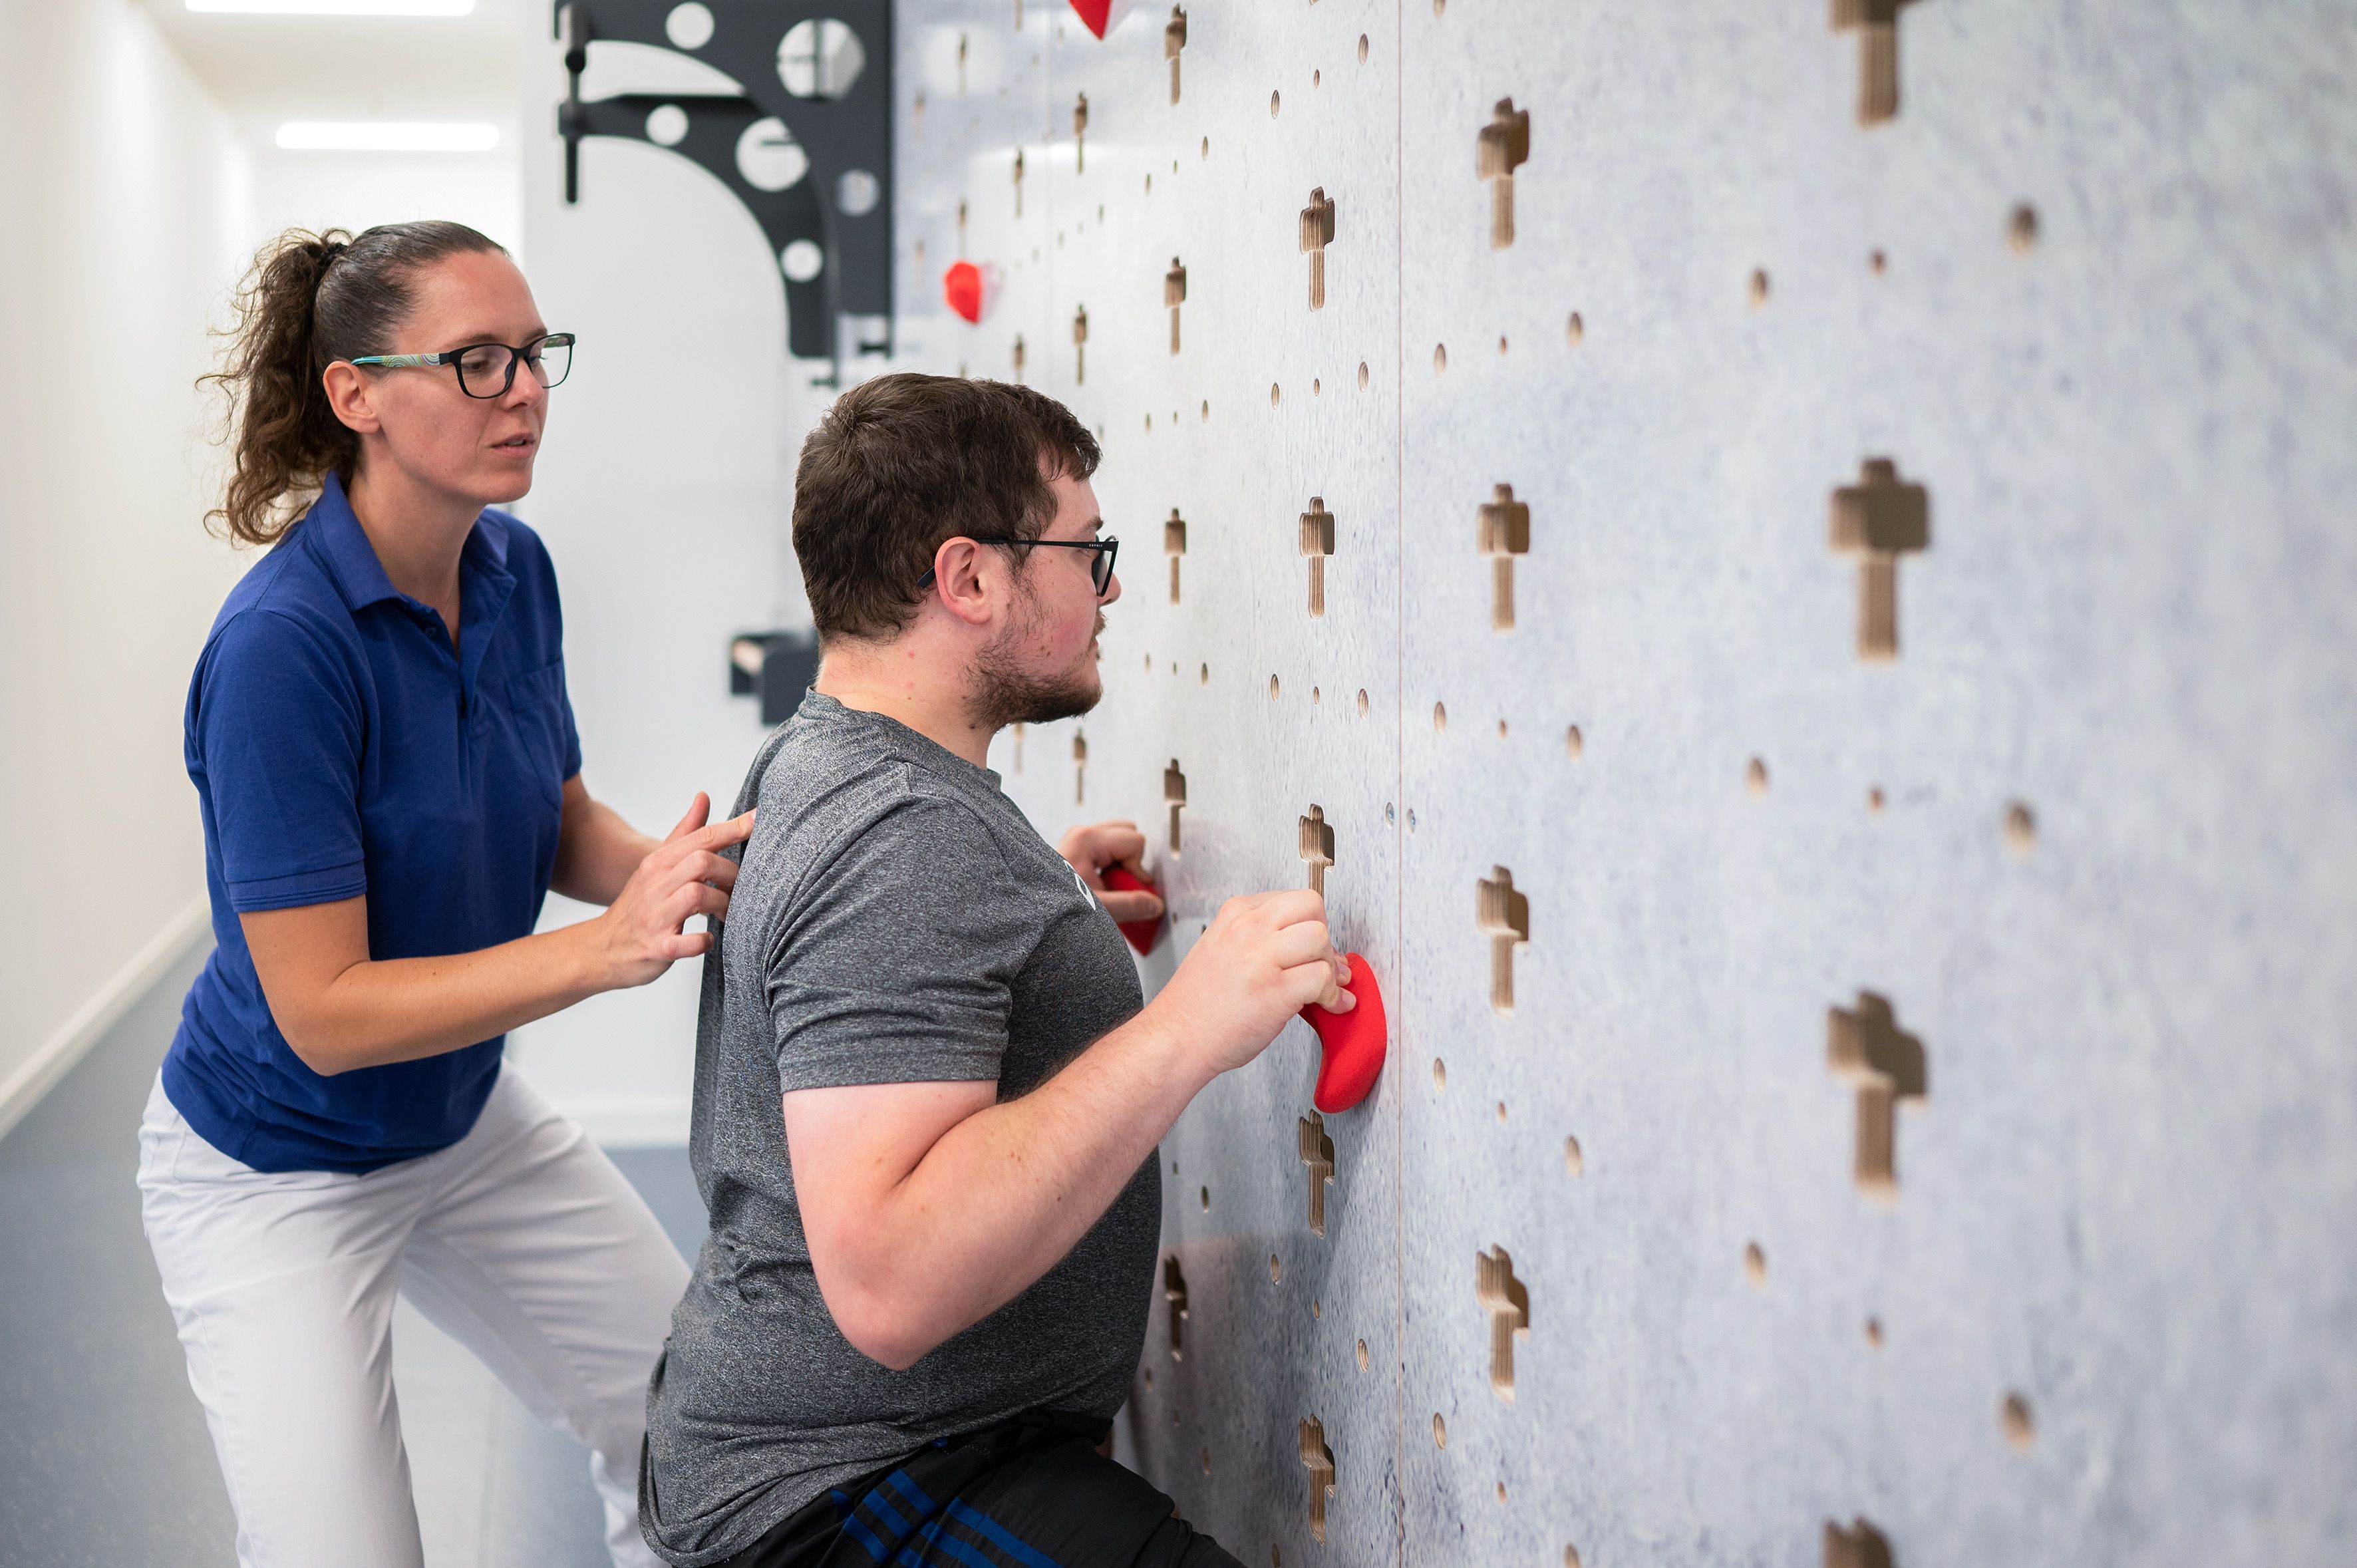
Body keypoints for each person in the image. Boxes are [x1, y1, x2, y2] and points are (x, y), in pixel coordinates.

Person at [639, 374, 1354, 1567]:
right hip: (852, 1490)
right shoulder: (899, 839)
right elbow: (893, 1283)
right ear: (969, 578)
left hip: (888, 1443)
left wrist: (1047, 932)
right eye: (1087, 549)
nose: (1109, 584)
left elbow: (882, 973)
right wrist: (1185, 1025)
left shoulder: (840, 763)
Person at [136, 220, 751, 1568]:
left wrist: (693, 878)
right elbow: (326, 1013)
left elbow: (555, 817)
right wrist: (605, 953)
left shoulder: (510, 569)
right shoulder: (281, 651)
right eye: (476, 360)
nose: (524, 389)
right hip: (274, 1161)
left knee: (700, 1433)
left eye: (534, 355)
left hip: (460, 1117)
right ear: (356, 393)